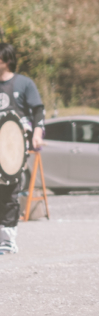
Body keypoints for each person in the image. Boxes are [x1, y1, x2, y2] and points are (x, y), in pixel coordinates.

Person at [0, 42, 45, 255]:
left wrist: (37, 134)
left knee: (9, 190)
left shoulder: (24, 83)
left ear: (7, 60)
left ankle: (8, 240)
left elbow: (38, 111)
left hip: (15, 147)